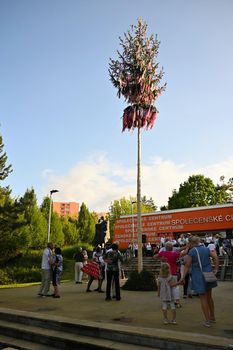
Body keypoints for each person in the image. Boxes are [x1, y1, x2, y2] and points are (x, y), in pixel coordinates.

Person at [179, 236, 219, 327]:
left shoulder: (192, 251)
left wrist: (182, 277)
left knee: (203, 298)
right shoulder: (205, 249)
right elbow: (215, 257)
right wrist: (216, 269)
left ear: (190, 243)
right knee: (209, 297)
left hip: (199, 276)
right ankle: (212, 317)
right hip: (208, 273)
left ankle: (207, 321)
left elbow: (187, 266)